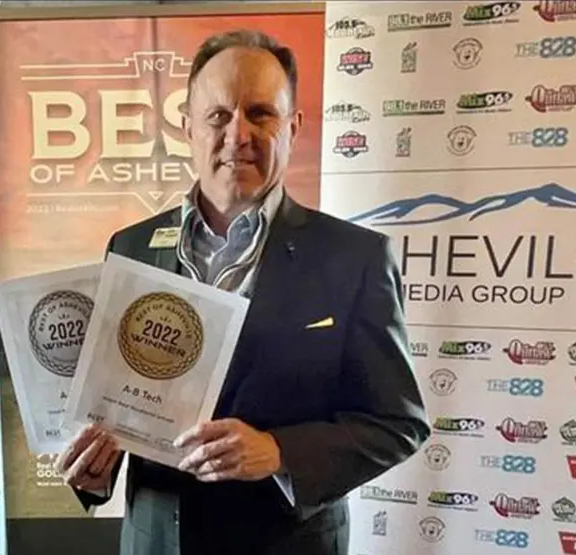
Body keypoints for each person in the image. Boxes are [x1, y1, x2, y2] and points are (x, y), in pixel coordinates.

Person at [55, 29, 431, 555]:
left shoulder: (355, 258)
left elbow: (397, 423)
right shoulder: (131, 246)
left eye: (260, 113)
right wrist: (92, 472)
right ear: (187, 126)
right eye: (218, 115)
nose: (238, 134)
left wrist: (278, 452)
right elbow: (114, 406)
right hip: (157, 543)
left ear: (293, 127)